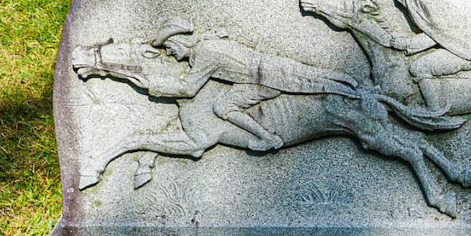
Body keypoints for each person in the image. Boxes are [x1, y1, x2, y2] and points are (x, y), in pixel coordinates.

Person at [148, 21, 359, 151]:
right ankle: (349, 83)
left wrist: (153, 86)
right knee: (312, 77)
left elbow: (188, 89)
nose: (171, 54)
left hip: (264, 80)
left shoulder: (205, 51)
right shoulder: (207, 46)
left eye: (169, 47)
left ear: (180, 41)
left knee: (222, 107)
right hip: (263, 73)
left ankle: (267, 138)